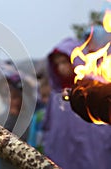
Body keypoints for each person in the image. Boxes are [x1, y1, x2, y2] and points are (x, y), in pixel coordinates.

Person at [42, 38, 111, 169]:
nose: (61, 67)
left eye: (64, 62)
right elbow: (49, 126)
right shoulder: (56, 95)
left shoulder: (94, 89)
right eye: (57, 64)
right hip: (64, 155)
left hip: (94, 154)